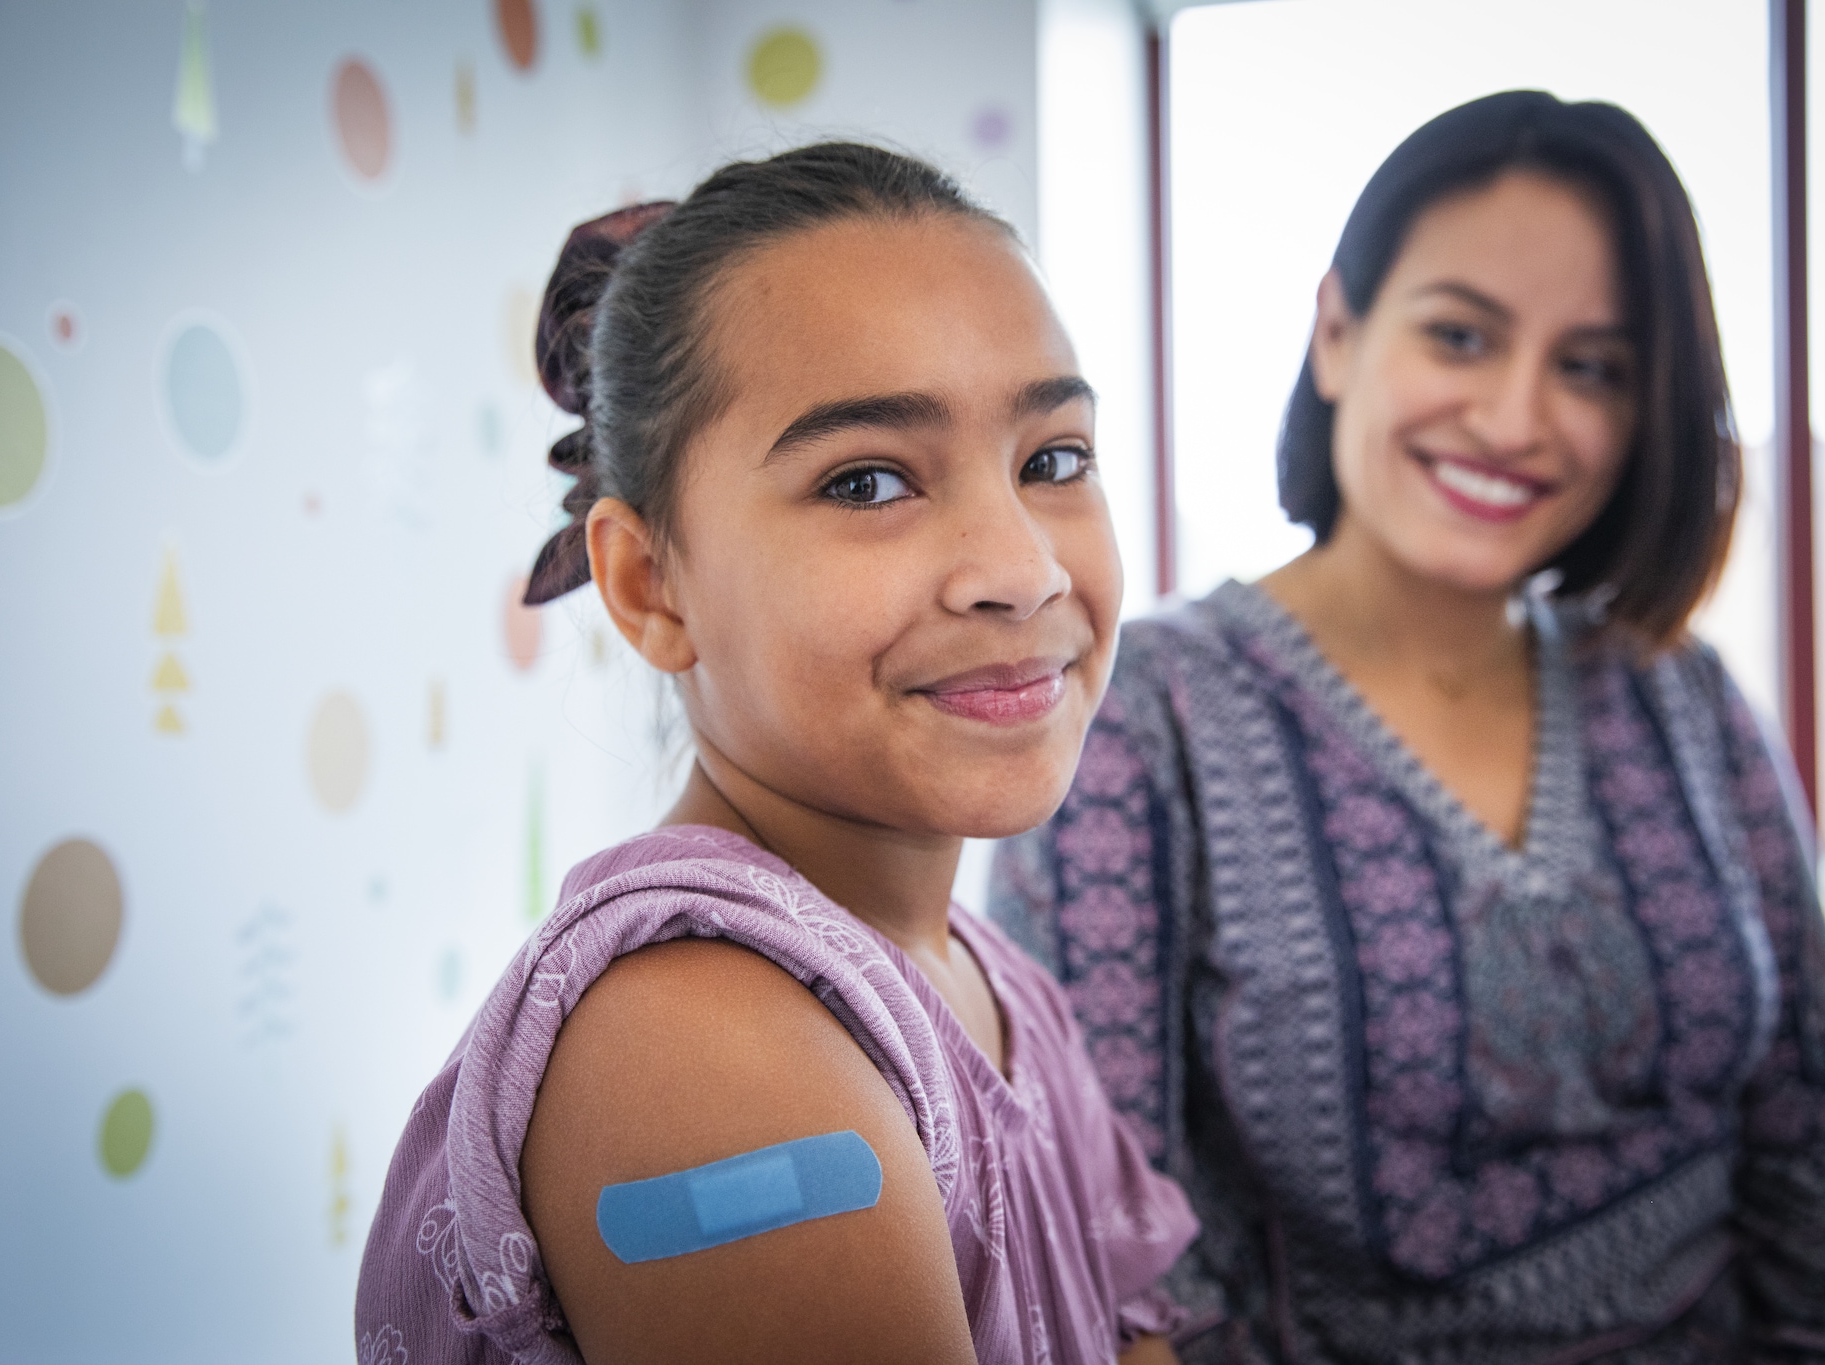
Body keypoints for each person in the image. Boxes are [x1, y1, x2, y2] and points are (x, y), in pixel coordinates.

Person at [991, 92, 1825, 1364]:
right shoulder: (1141, 724)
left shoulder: (1683, 699)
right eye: (1459, 336)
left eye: (1589, 367)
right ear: (1336, 334)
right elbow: (1125, 1273)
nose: (1512, 419)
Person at [355, 143, 1198, 1365]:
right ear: (649, 587)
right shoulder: (696, 1054)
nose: (1021, 570)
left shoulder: (994, 982)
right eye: (866, 482)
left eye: (1051, 460)